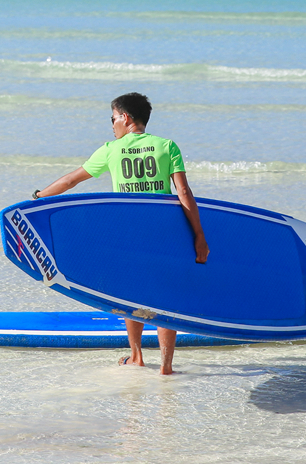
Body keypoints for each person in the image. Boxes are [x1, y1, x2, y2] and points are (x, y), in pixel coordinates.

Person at [31, 92, 208, 375]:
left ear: (125, 118)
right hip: (163, 233)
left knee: (131, 295)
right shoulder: (166, 146)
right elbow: (184, 192)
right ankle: (166, 366)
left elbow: (70, 181)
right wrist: (199, 235)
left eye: (112, 118)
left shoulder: (111, 149)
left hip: (127, 236)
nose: (112, 125)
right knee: (166, 294)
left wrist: (38, 197)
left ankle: (137, 356)